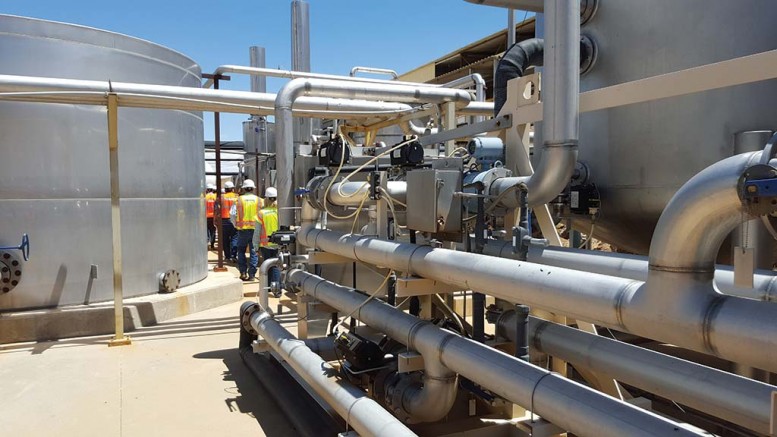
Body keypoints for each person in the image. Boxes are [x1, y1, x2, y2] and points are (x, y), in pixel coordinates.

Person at [254, 187, 281, 291]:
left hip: (265, 245)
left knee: (267, 265)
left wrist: (255, 246)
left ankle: (272, 287)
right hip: (278, 244)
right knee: (276, 266)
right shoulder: (280, 212)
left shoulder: (261, 213)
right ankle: (276, 289)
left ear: (266, 199)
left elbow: (257, 232)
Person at [233, 179, 260, 281]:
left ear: (244, 188)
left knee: (241, 251)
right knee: (254, 252)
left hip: (242, 230)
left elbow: (232, 214)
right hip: (255, 230)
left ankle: (243, 272)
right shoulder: (259, 200)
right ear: (253, 189)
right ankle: (252, 274)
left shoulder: (239, 200)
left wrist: (236, 224)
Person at [221, 181, 239, 263]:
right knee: (234, 238)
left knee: (225, 239)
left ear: (225, 189)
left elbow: (217, 210)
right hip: (235, 219)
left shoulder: (221, 197)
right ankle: (234, 255)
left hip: (224, 220)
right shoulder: (237, 197)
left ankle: (227, 256)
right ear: (232, 188)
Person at [205, 184, 217, 250]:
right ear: (212, 189)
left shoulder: (204, 197)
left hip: (206, 217)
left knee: (206, 231)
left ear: (207, 189)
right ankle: (212, 245)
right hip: (213, 217)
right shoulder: (215, 197)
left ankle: (207, 243)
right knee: (213, 231)